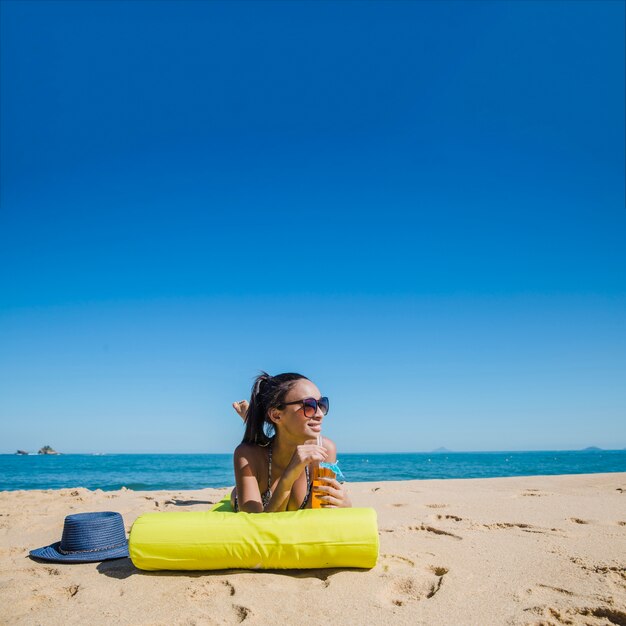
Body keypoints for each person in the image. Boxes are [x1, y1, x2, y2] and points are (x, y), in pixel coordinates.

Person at [230, 372, 351, 512]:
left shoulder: (325, 449)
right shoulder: (247, 455)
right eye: (309, 405)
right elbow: (258, 526)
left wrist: (346, 505)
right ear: (276, 414)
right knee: (239, 492)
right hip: (247, 494)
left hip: (280, 430)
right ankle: (249, 416)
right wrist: (289, 476)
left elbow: (314, 512)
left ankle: (250, 416)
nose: (320, 414)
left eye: (321, 404)